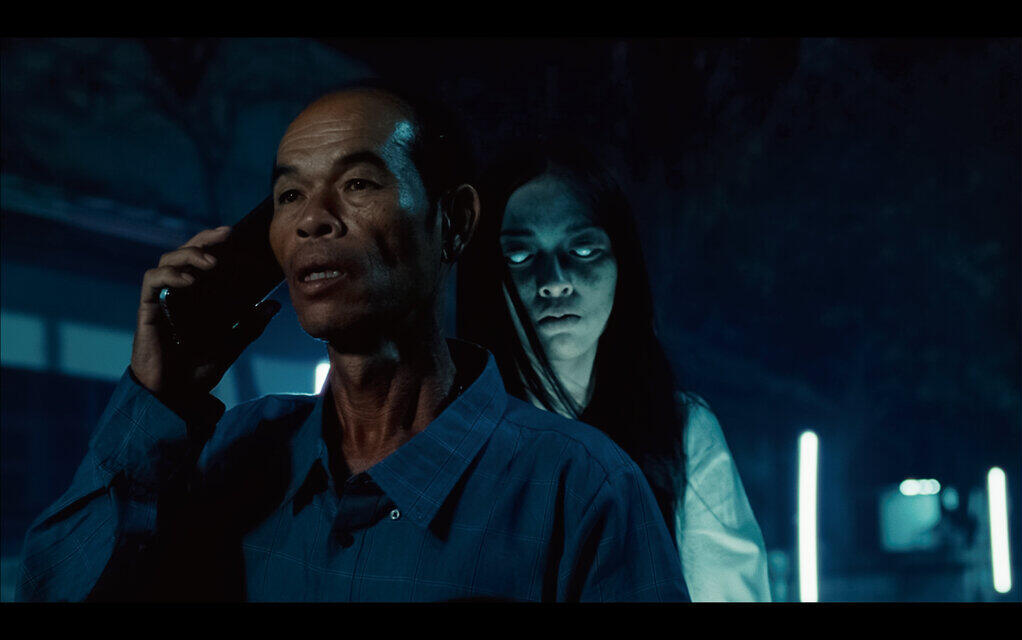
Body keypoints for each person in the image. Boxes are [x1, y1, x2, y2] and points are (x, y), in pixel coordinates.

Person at [15, 83, 689, 602]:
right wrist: (157, 398)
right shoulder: (234, 454)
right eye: (289, 195)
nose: (313, 219)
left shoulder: (579, 488)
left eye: (359, 183)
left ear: (454, 222)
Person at [457, 139, 771, 601]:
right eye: (520, 256)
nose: (555, 281)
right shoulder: (452, 432)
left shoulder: (679, 431)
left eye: (583, 250)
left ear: (622, 264)